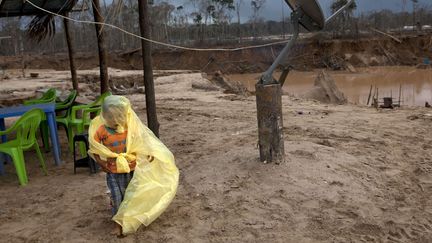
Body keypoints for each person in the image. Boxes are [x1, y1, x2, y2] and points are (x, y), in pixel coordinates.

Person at [92, 96, 142, 237]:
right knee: (116, 197)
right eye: (112, 117)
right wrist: (100, 162)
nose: (116, 121)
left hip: (131, 169)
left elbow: (141, 142)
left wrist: (148, 154)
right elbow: (94, 147)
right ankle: (117, 224)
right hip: (113, 172)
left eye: (119, 116)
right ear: (106, 116)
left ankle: (127, 220)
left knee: (129, 196)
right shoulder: (102, 130)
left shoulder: (130, 127)